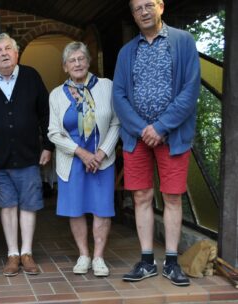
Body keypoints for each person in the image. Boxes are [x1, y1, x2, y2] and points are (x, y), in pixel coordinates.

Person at [113, 0, 200, 286]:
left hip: (172, 135)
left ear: (161, 6)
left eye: (148, 5)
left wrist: (161, 127)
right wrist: (142, 129)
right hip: (137, 137)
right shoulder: (127, 52)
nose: (143, 11)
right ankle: (147, 260)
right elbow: (119, 96)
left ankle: (172, 261)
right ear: (133, 15)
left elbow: (190, 88)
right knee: (141, 196)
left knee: (173, 196)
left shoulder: (183, 41)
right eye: (137, 8)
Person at [0, 33, 53, 277]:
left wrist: (48, 146)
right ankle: (12, 253)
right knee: (7, 205)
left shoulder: (31, 76)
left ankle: (27, 252)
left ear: (16, 53)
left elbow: (45, 113)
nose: (4, 53)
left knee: (29, 205)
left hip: (28, 155)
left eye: (8, 48)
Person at [48, 41, 120, 277]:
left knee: (102, 209)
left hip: (102, 161)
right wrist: (81, 152)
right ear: (65, 67)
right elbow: (53, 132)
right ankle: (83, 255)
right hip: (73, 160)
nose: (77, 63)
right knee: (75, 209)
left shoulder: (107, 87)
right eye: (72, 60)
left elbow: (116, 122)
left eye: (81, 59)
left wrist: (102, 153)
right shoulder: (57, 95)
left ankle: (99, 257)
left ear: (89, 62)